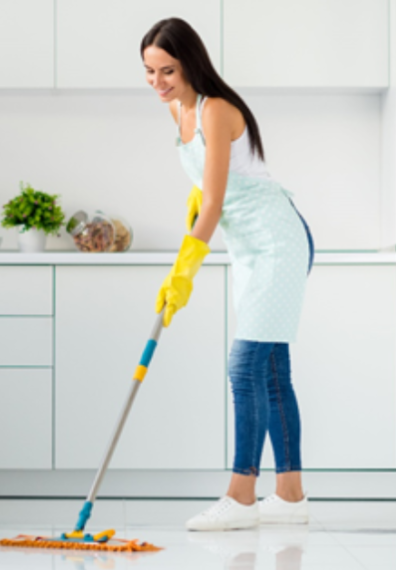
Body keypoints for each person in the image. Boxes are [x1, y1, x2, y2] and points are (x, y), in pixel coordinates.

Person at [140, 18, 315, 531]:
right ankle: (290, 495)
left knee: (244, 368)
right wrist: (196, 212)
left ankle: (241, 498)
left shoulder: (216, 110)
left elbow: (214, 201)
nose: (158, 82)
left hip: (278, 242)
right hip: (249, 248)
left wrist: (185, 269)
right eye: (149, 72)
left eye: (167, 70)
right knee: (271, 371)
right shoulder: (179, 110)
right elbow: (210, 185)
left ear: (191, 63)